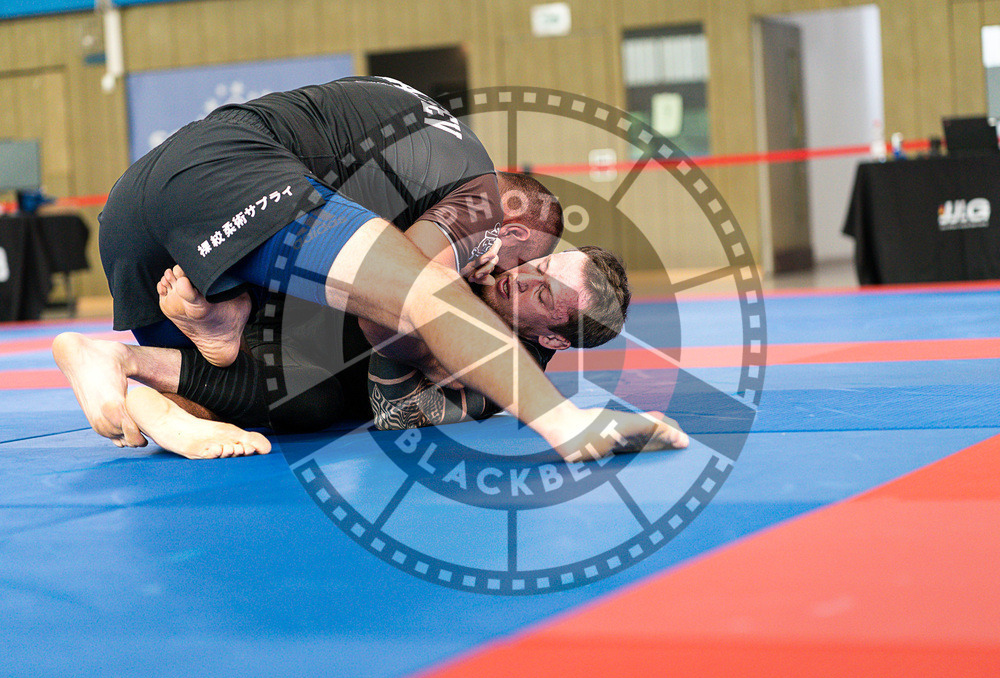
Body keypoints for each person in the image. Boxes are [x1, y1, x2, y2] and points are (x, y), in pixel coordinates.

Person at [56, 76, 688, 461]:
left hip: (144, 233)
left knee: (312, 394)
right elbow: (410, 303)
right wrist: (563, 421)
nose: (507, 272)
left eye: (540, 289)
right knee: (411, 295)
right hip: (221, 172)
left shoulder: (423, 174)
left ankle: (146, 380)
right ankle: (193, 333)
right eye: (533, 263)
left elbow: (382, 382)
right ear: (516, 228)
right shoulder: (485, 201)